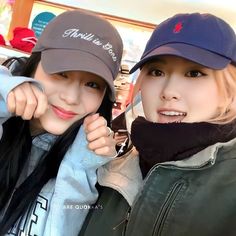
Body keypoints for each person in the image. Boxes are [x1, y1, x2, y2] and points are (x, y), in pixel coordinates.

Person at [79, 13, 236, 236]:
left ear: (229, 90)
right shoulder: (111, 163)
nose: (169, 91)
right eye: (157, 72)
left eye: (194, 73)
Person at [0, 9, 123, 235]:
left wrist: (82, 164)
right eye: (62, 73)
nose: (71, 98)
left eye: (92, 85)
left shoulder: (91, 163)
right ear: (34, 64)